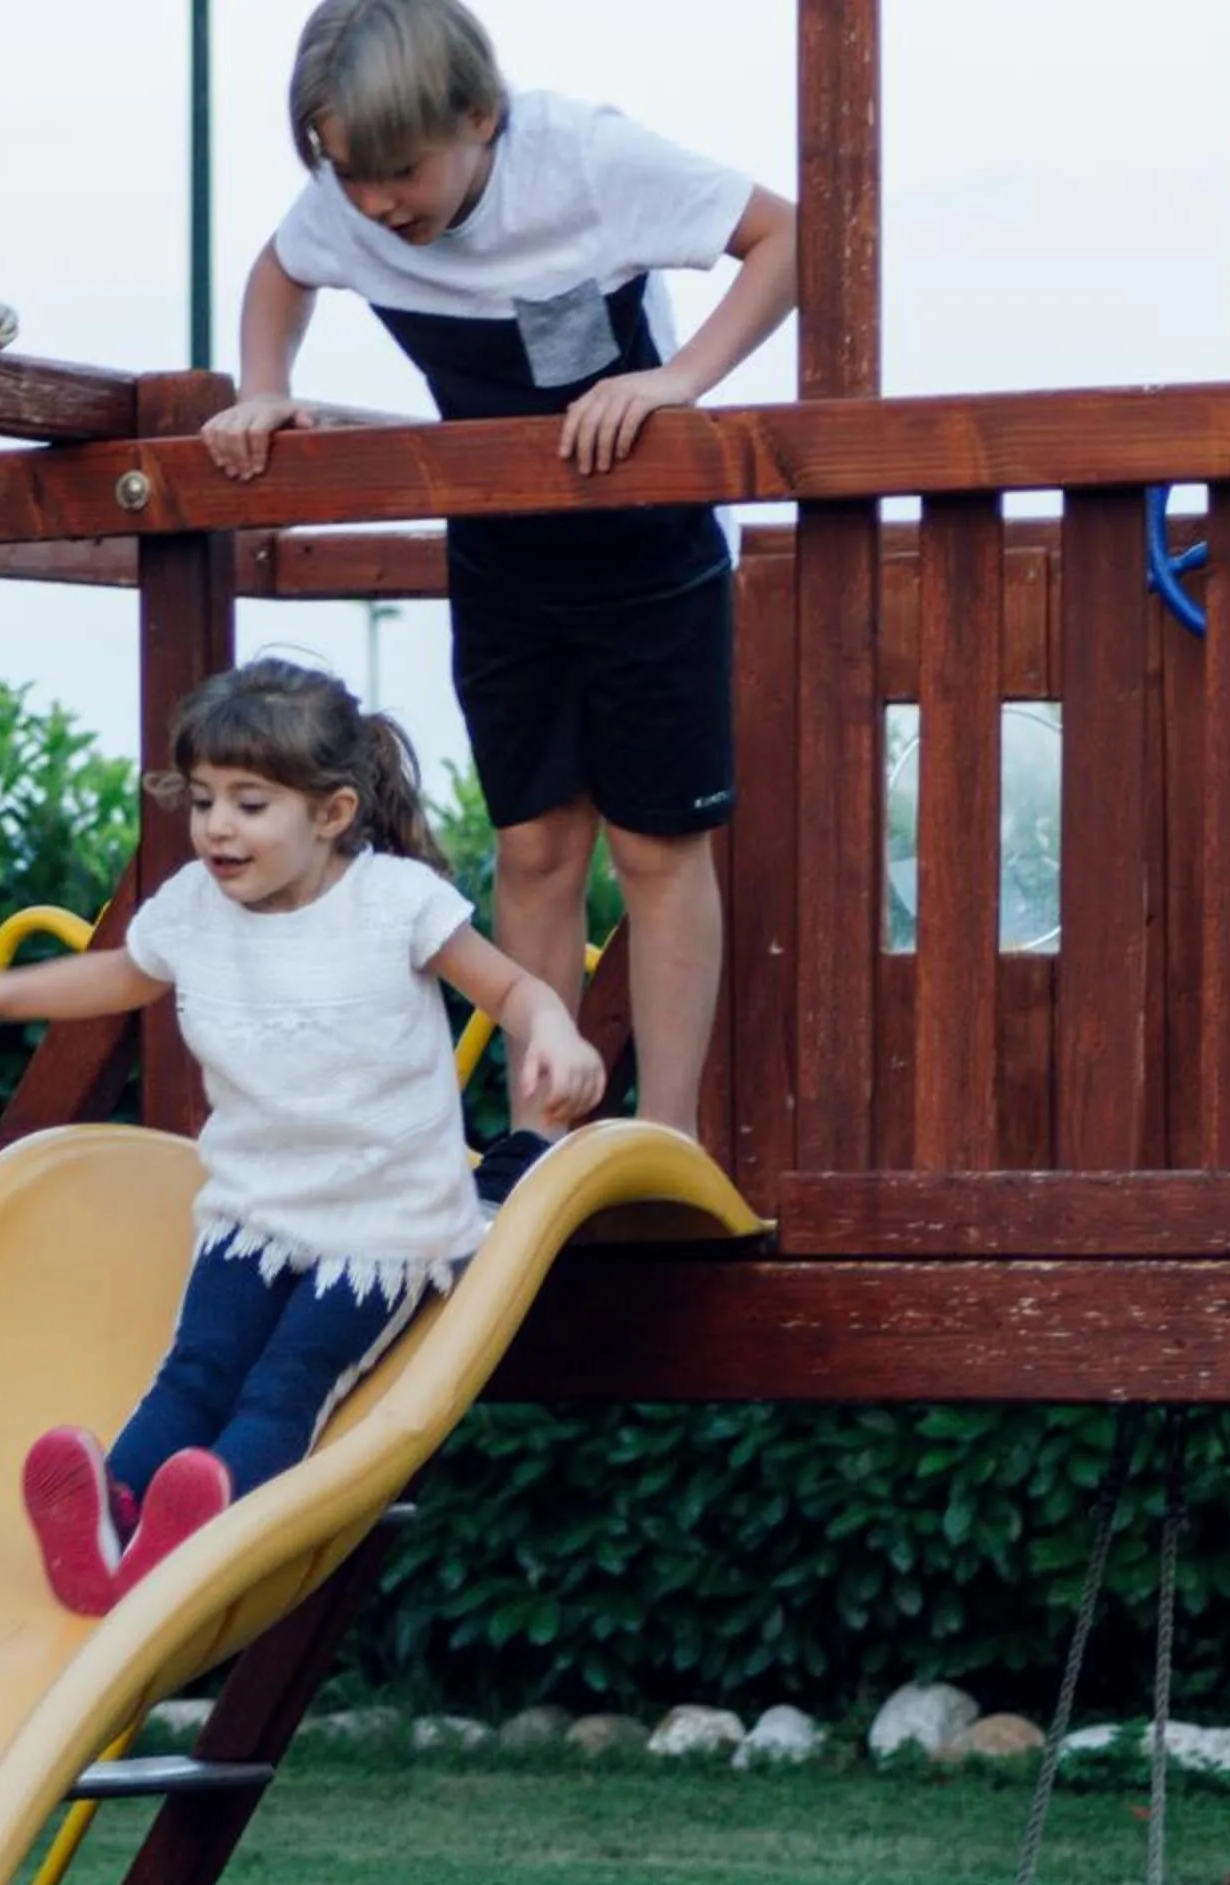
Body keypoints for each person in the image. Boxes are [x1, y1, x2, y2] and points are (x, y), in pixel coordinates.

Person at [203, 0, 797, 1199]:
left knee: (653, 843)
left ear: (478, 117)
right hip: (503, 549)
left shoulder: (582, 159)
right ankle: (542, 1127)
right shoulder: (351, 205)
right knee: (530, 843)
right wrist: (265, 388)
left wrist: (678, 379)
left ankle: (665, 1135)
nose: (372, 205)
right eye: (345, 175)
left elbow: (789, 236)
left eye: (396, 172)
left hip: (647, 549)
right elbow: (278, 274)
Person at [0, 658, 604, 1614]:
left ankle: (208, 1518)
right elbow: (116, 980)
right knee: (194, 1370)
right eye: (203, 802)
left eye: (249, 804)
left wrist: (557, 1033)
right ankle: (109, 1515)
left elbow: (514, 989)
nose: (217, 828)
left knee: (285, 1383)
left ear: (329, 814)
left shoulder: (394, 902)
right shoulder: (193, 912)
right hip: (254, 1212)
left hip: (384, 1229)